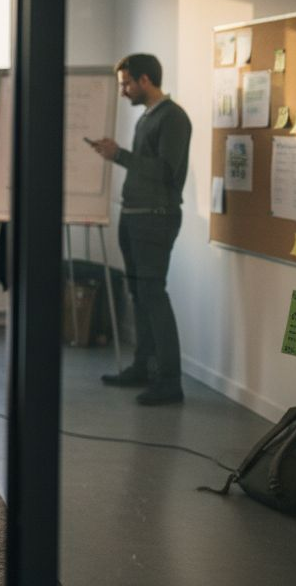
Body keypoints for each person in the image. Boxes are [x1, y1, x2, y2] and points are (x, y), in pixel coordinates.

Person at [89, 53, 191, 406]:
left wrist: (119, 155)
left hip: (155, 218)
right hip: (134, 216)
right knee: (140, 294)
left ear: (144, 80)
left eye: (126, 84)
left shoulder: (173, 117)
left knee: (153, 294)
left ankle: (170, 381)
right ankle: (143, 367)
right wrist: (118, 155)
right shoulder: (148, 116)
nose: (123, 91)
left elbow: (165, 171)